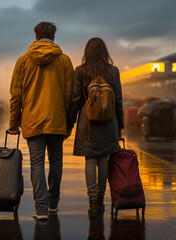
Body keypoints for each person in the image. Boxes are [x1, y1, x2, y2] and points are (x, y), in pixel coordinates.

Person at [8, 22, 74, 220]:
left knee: (37, 165)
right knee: (56, 162)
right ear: (53, 38)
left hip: (33, 121)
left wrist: (13, 122)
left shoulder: (23, 61)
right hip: (57, 121)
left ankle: (42, 209)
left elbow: (15, 94)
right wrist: (68, 123)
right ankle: (53, 204)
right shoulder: (64, 60)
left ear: (36, 37)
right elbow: (70, 95)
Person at [67, 37, 124, 218]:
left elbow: (75, 99)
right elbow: (119, 101)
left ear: (87, 52)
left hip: (88, 121)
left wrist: (70, 122)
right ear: (104, 51)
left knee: (90, 159)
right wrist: (120, 125)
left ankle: (92, 201)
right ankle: (100, 197)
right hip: (109, 120)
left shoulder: (81, 71)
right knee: (103, 158)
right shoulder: (113, 71)